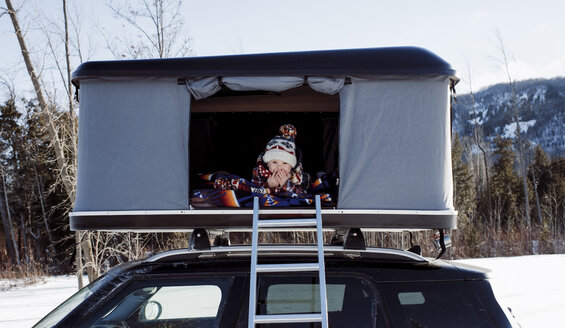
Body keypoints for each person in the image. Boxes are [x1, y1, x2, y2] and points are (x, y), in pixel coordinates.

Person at [252, 124, 310, 196]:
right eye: (274, 162)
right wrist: (269, 186)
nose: (279, 167)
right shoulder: (260, 173)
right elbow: (253, 193)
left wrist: (285, 185)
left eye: (285, 163)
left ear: (292, 166)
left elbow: (302, 196)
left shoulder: (296, 176)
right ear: (267, 163)